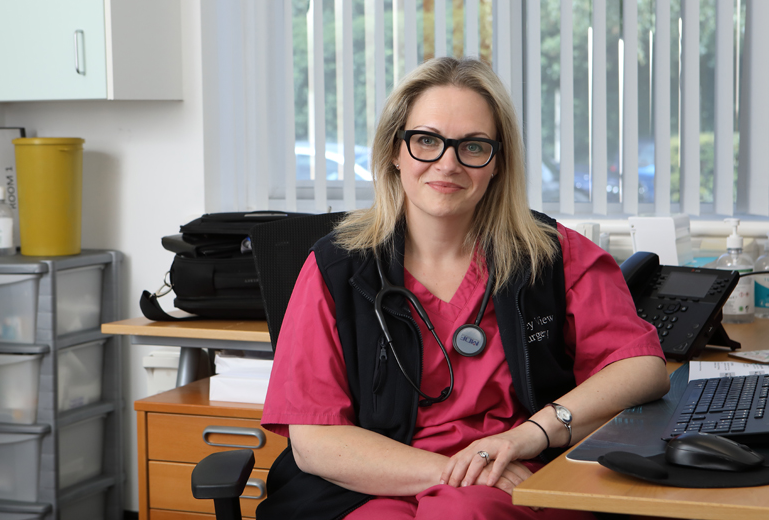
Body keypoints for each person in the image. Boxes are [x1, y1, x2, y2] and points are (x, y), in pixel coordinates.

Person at [257, 57, 670, 520]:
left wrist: (531, 434)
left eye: (473, 146)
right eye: (426, 141)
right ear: (395, 151)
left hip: (513, 478)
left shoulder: (551, 255)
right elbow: (314, 441)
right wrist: (457, 471)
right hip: (371, 484)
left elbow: (642, 368)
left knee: (463, 513)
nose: (447, 163)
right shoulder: (336, 268)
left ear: (497, 162)